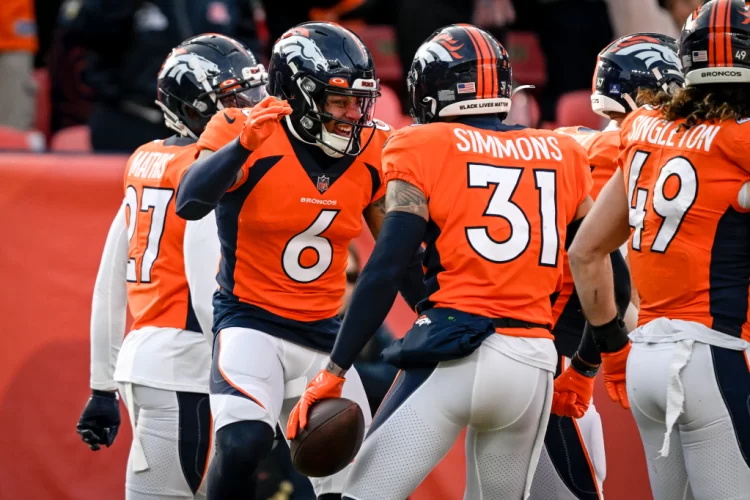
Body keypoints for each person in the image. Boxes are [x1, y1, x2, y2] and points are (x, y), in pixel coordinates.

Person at [286, 23, 596, 500]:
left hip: (456, 354)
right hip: (532, 362)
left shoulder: (421, 144)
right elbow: (597, 266)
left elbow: (388, 265)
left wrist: (336, 368)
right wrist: (586, 363)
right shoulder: (564, 151)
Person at [174, 21, 425, 500]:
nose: (354, 114)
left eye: (360, 100)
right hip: (250, 320)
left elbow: (398, 254)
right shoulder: (242, 127)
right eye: (339, 101)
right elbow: (189, 202)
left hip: (325, 334)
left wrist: (432, 312)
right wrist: (243, 144)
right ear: (301, 96)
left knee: (351, 478)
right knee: (244, 442)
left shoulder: (376, 147)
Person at [564, 1, 750, 498]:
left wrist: (609, 353)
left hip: (646, 356)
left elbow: (586, 252)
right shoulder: (738, 143)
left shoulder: (643, 130)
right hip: (716, 354)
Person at [75, 34, 267, 500]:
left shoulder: (146, 158)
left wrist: (103, 385)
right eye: (234, 99)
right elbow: (205, 287)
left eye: (253, 92)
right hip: (189, 366)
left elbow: (108, 280)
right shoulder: (203, 170)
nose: (250, 107)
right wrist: (240, 371)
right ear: (197, 107)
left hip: (148, 361)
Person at [530, 32, 684, 500]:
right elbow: (609, 273)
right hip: (575, 350)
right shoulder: (616, 151)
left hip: (560, 344)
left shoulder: (576, 147)